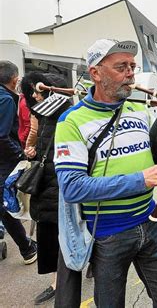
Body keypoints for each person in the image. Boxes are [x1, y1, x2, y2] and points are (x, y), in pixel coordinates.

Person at [54, 39, 157, 307]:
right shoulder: (71, 121)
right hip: (108, 234)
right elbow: (72, 188)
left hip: (151, 222)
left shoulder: (139, 110)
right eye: (121, 67)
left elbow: (154, 153)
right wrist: (141, 180)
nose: (130, 73)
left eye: (132, 66)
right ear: (95, 73)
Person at [21, 72, 72, 305]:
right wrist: (31, 151)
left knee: (65, 234)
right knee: (51, 236)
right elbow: (36, 142)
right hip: (47, 188)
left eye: (38, 91)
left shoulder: (67, 118)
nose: (33, 96)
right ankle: (57, 281)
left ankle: (64, 280)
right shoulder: (41, 115)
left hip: (61, 187)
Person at [0, 60, 38, 265]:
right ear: (14, 80)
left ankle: (27, 247)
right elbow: (2, 136)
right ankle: (27, 249)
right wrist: (20, 156)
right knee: (7, 205)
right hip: (5, 162)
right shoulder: (6, 99)